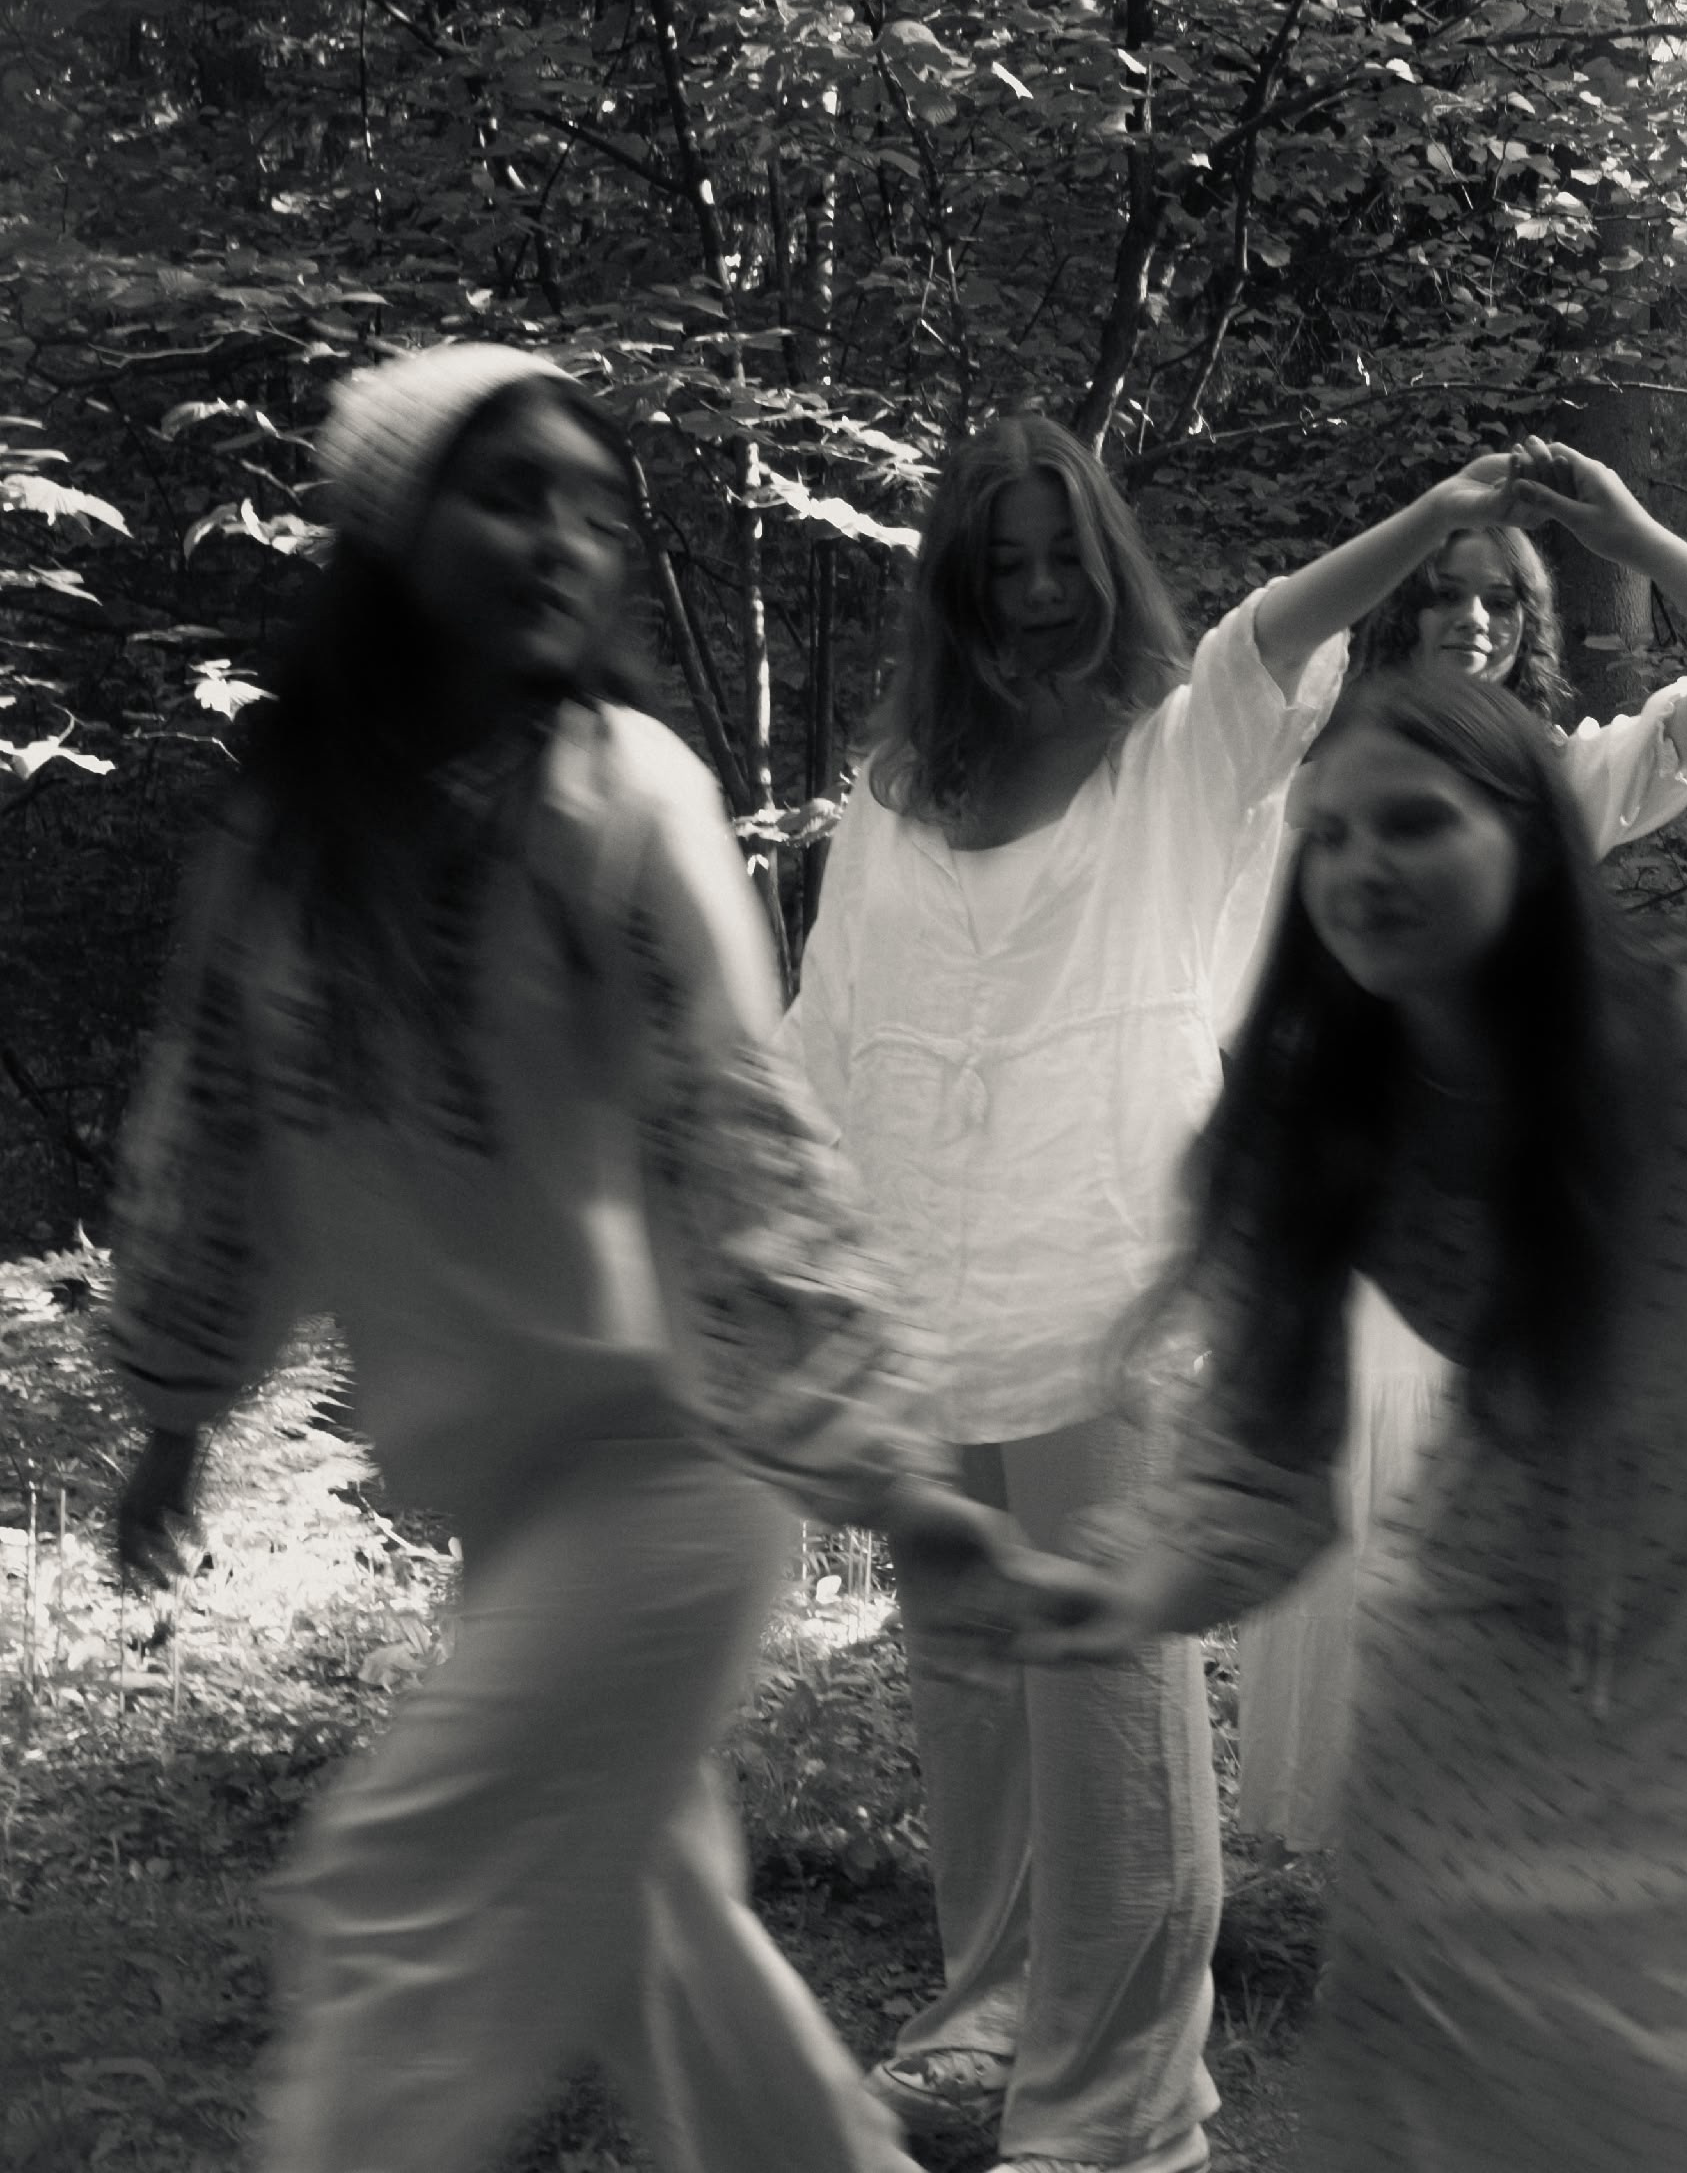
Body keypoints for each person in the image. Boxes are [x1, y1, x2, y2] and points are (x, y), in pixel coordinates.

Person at [106, 342, 1082, 2173]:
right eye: (509, 498)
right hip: (510, 1498)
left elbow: (736, 1141)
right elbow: (216, 1131)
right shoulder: (285, 848)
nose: (564, 540)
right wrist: (175, 1412)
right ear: (391, 535)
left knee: (394, 1889)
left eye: (591, 510)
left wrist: (891, 1479)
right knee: (659, 1937)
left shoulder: (620, 794)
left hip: (675, 1474)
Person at [781, 410, 1535, 2173]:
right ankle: (984, 2027)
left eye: (1065, 557)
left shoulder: (1172, 755)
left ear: (1103, 564)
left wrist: (1429, 507)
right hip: (926, 1296)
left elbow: (1266, 637)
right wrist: (800, 1259)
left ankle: (1117, 2107)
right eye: (1007, 564)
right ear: (959, 586)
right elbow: (825, 1024)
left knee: (1109, 1689)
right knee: (969, 1672)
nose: (1042, 591)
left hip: (1110, 1294)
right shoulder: (892, 795)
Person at [1028, 673, 1687, 2172]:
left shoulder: (1681, 1048)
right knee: (1435, 2083)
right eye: (1327, 835)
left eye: (1413, 824)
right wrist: (1114, 1590)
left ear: (1533, 839)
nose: (1358, 868)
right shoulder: (1313, 1118)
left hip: (1686, 1661)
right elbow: (1254, 1469)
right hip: (1469, 1665)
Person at [1234, 437, 1687, 1851]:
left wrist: (1635, 539)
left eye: (1503, 597)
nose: (1475, 619)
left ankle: (1487, 1830)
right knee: (1351, 1512)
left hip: (1517, 1214)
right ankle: (1355, 1836)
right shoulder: (1306, 782)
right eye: (1445, 592)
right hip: (1353, 1197)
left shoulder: (1564, 783)